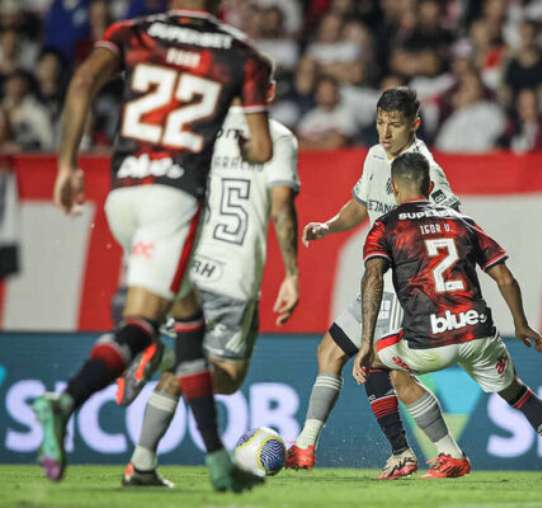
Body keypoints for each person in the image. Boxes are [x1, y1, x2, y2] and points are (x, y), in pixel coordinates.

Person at [32, 0, 274, 493]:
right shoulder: (240, 54)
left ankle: (212, 457)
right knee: (143, 323)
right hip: (175, 200)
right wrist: (246, 147)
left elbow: (80, 83)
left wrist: (66, 166)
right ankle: (66, 402)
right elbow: (262, 148)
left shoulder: (131, 32)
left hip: (123, 195)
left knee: (189, 321)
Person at [353, 152, 542, 481]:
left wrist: (366, 342)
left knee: (376, 365)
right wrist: (521, 324)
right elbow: (505, 278)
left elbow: (373, 278)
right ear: (429, 185)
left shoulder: (387, 226)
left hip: (429, 341)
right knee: (517, 393)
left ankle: (412, 453)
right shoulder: (462, 221)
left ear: (393, 188)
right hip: (477, 333)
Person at [118, 105, 300, 487]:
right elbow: (282, 208)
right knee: (229, 377)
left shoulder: (198, 130)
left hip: (192, 263)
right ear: (268, 90)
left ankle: (142, 463)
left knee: (182, 369)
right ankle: (162, 352)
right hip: (235, 274)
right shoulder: (276, 136)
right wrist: (292, 274)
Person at [289, 86, 462, 480]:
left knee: (388, 370)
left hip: (409, 289)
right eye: (380, 123)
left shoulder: (427, 171)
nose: (385, 133)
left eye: (395, 126)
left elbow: (454, 225)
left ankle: (435, 453)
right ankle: (305, 445)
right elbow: (362, 205)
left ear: (415, 126)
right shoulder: (373, 156)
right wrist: (329, 226)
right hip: (379, 285)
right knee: (331, 352)